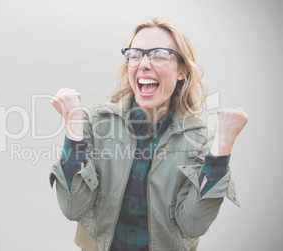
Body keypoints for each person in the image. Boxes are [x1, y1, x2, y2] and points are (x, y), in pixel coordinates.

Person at [49, 18, 248, 251]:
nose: (143, 63)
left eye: (159, 55)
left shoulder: (200, 139)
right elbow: (73, 207)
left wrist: (223, 146)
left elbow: (193, 224)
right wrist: (73, 127)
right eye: (135, 54)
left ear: (182, 70)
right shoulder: (94, 121)